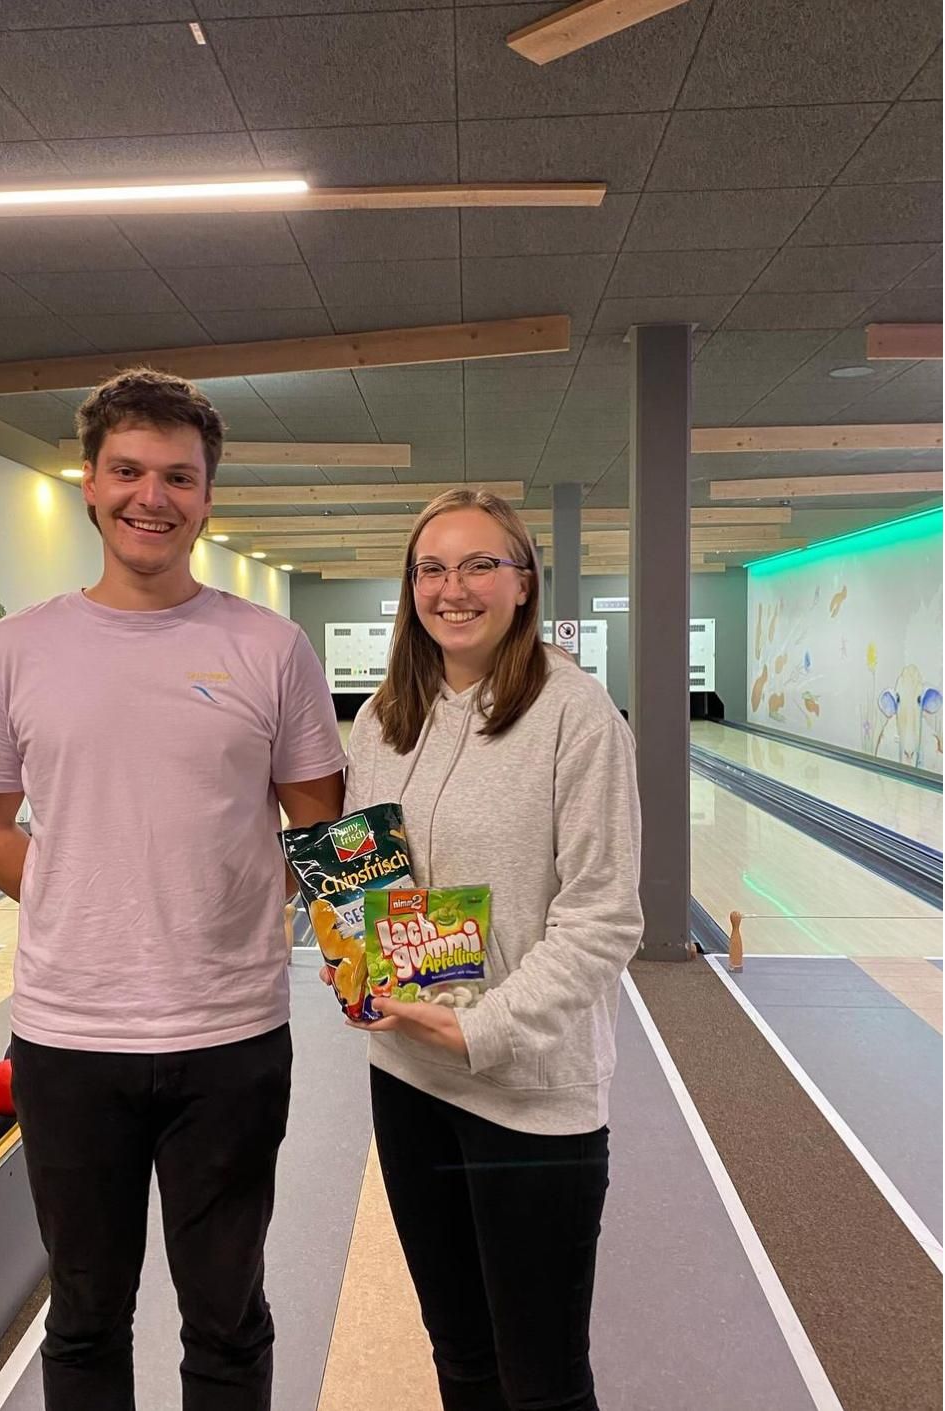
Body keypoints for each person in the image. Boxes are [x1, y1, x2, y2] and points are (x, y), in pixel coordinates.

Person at [0, 368, 345, 1411]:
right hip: (69, 1038)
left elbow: (321, 827)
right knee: (83, 1317)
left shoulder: (271, 647)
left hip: (231, 1036)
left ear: (208, 496)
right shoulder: (17, 649)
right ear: (89, 480)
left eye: (178, 476)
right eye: (127, 471)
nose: (150, 496)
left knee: (226, 1315)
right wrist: (79, 892)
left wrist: (281, 920)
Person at [336, 487, 643, 1411]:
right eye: (431, 568)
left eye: (480, 565)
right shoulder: (382, 720)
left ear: (523, 583)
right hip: (408, 1078)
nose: (453, 588)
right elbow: (368, 878)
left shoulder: (576, 716)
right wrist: (354, 955)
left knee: (543, 1380)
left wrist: (485, 1029)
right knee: (461, 1356)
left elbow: (602, 917)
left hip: (530, 1095)